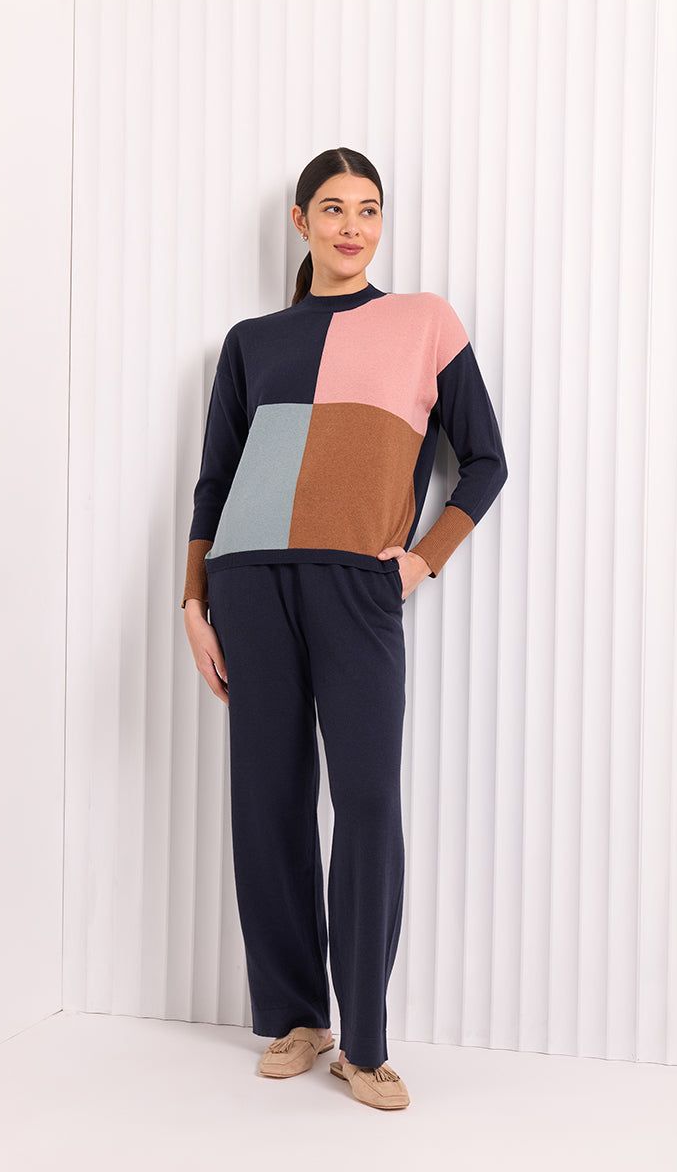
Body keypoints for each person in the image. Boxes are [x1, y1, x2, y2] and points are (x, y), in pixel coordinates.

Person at [180, 147, 507, 1111]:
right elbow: (214, 480)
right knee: (268, 803)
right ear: (301, 222)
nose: (351, 226)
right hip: (249, 582)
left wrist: (420, 560)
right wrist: (193, 601)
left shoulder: (424, 321)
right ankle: (296, 1018)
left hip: (358, 585)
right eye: (332, 209)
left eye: (367, 209)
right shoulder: (252, 341)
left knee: (365, 803)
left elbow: (485, 460)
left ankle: (364, 1044)